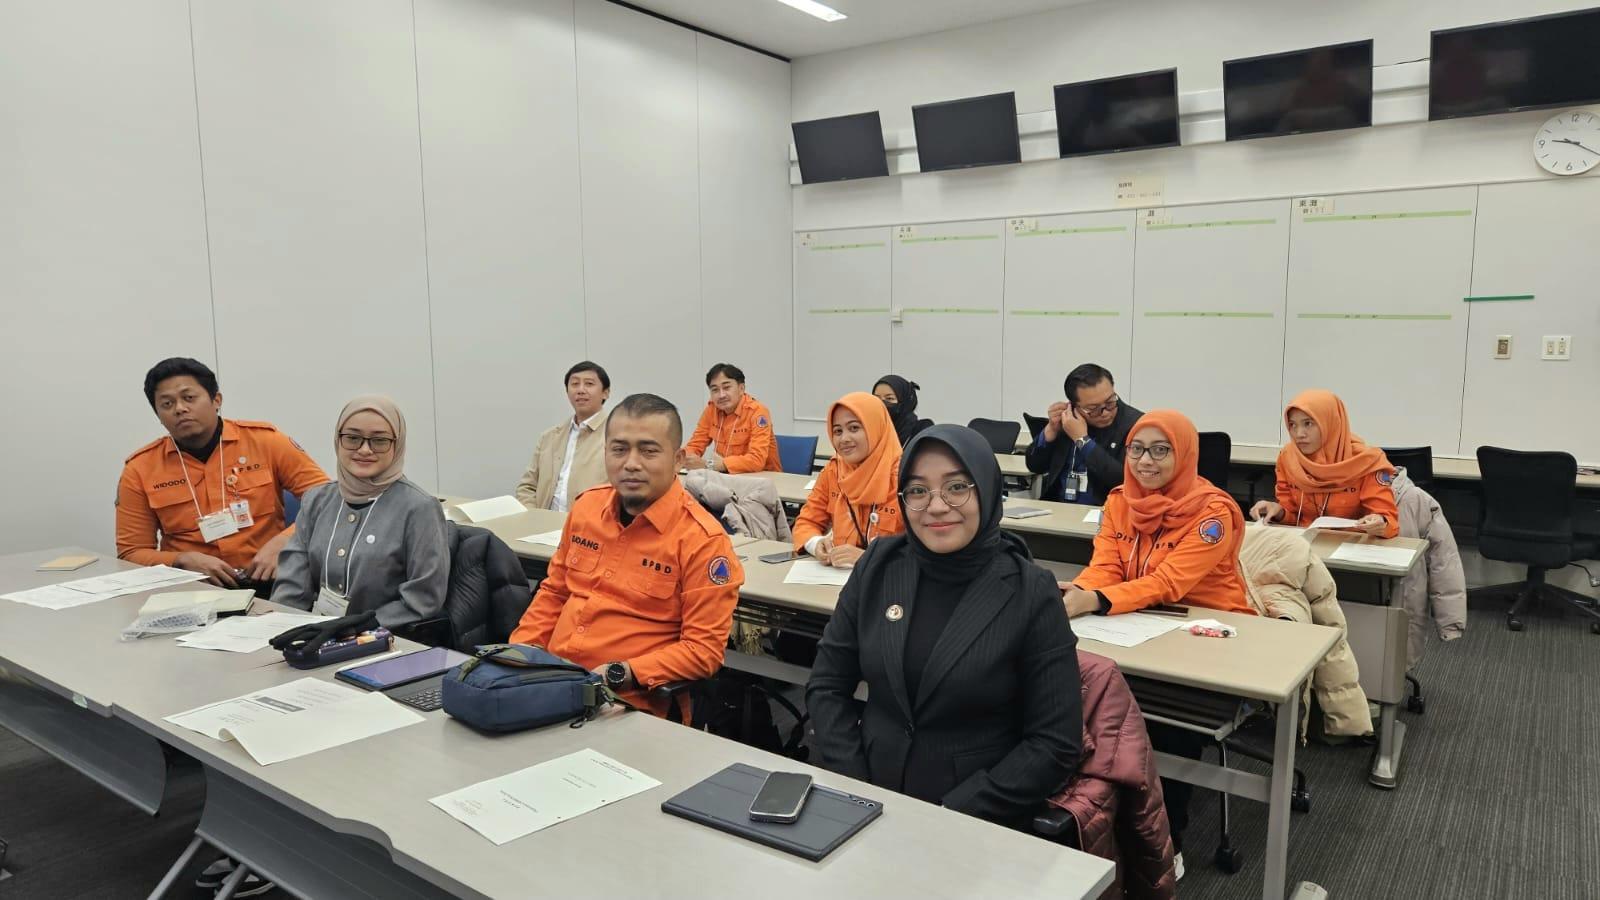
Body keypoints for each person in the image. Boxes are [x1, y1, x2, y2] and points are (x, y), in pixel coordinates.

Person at [806, 425, 1082, 828]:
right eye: (918, 490)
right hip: (865, 791)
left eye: (956, 488)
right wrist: (855, 785)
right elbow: (827, 685)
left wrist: (955, 812)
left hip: (975, 813)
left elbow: (1055, 743)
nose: (936, 506)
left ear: (986, 490)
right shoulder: (879, 565)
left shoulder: (1030, 591)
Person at [1058, 409, 1251, 876]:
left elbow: (1169, 582)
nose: (1146, 461)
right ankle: (1092, 819)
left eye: (1160, 450)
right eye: (1137, 450)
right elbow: (1106, 564)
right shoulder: (1120, 500)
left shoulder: (1213, 513)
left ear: (1183, 454)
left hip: (1203, 634)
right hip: (1133, 624)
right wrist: (1079, 592)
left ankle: (1168, 839)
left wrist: (1096, 600)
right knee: (1075, 686)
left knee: (1164, 725)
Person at [511, 394, 745, 716]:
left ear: (678, 460)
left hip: (626, 701)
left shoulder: (702, 541)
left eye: (648, 451)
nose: (631, 463)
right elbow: (555, 592)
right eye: (619, 449)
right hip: (552, 679)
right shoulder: (587, 508)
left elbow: (703, 651)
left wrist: (622, 673)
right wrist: (520, 654)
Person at [117, 357, 328, 589]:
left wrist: (285, 542)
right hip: (193, 587)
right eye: (167, 404)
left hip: (270, 578)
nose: (180, 409)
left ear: (216, 400)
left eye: (189, 398)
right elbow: (131, 553)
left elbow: (328, 503)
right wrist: (180, 560)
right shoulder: (140, 468)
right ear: (158, 414)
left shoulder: (266, 442)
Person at [271, 396, 449, 627]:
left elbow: (422, 598)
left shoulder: (419, 508)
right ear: (338, 440)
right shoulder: (317, 500)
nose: (365, 450)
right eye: (353, 438)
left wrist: (349, 629)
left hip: (384, 636)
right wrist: (278, 627)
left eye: (379, 440)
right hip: (314, 633)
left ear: (397, 445)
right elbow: (292, 587)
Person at [1250, 389, 1399, 538]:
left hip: (1352, 545)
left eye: (1308, 423)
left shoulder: (1367, 461)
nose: (1299, 434)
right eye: (1292, 425)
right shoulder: (1288, 458)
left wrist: (1380, 522)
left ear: (1330, 422)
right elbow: (1294, 517)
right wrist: (1278, 511)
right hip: (1305, 543)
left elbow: (1389, 521)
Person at [792, 392, 905, 568]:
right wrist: (816, 543)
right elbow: (806, 522)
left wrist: (868, 558)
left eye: (854, 428)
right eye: (837, 431)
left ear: (875, 427)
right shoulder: (834, 471)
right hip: (837, 576)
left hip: (891, 578)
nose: (844, 439)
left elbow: (923, 551)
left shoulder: (907, 477)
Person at [1026, 363, 1143, 505]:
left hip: (1107, 511)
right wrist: (1050, 430)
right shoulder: (1068, 422)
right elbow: (1035, 466)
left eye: (1110, 402)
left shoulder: (1137, 425)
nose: (1105, 412)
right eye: (1093, 408)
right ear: (1074, 406)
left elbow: (1126, 481)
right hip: (1057, 508)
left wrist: (1082, 440)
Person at [515, 361, 611, 511]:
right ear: (567, 392)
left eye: (589, 384)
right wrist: (534, 516)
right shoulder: (549, 437)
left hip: (590, 524)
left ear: (605, 392)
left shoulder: (617, 436)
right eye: (575, 384)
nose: (581, 390)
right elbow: (527, 487)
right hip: (543, 523)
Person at [683, 363, 781, 474]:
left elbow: (756, 460)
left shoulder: (757, 412)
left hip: (763, 477)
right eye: (715, 390)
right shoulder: (711, 410)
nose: (721, 395)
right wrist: (684, 459)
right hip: (726, 476)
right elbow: (695, 445)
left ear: (741, 388)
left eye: (726, 388)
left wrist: (708, 465)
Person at [872, 375, 931, 447]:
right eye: (876, 398)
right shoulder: (869, 431)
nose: (882, 403)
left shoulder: (921, 433)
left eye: (889, 398)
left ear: (904, 402)